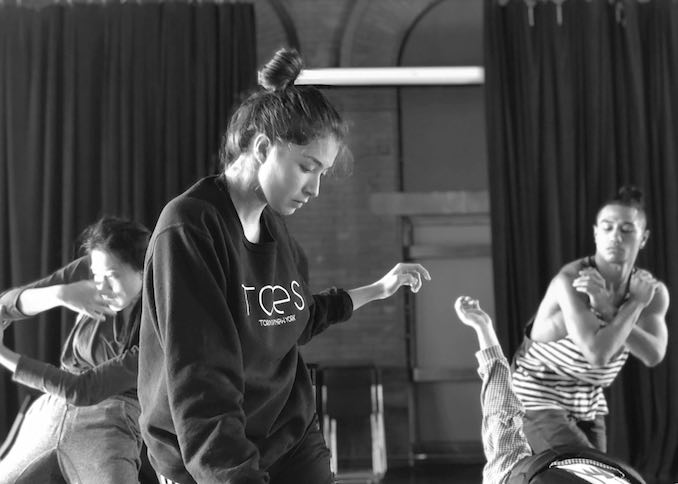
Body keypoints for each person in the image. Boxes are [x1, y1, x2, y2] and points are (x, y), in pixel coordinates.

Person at [137, 47, 431, 484]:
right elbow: (201, 382)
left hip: (289, 436)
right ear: (261, 148)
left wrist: (377, 289)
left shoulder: (276, 230)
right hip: (210, 457)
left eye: (323, 173)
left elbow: (295, 318)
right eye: (307, 168)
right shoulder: (190, 228)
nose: (314, 189)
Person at [511, 186, 669, 453]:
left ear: (643, 238)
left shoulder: (649, 291)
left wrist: (613, 310)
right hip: (536, 394)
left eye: (626, 230)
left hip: (587, 398)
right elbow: (598, 353)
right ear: (596, 233)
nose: (615, 237)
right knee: (586, 474)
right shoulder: (573, 281)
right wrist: (635, 305)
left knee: (601, 475)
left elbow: (653, 354)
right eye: (606, 228)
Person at [0, 216, 150, 484]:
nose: (101, 286)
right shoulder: (97, 267)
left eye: (112, 277)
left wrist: (3, 355)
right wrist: (59, 293)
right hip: (51, 409)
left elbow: (85, 389)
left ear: (143, 270)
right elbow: (5, 306)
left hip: (111, 419)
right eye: (96, 276)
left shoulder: (160, 316)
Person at [454, 295, 646, 484]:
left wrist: (483, 327)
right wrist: (483, 327)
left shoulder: (505, 473)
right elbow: (500, 406)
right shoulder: (507, 472)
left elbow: (500, 405)